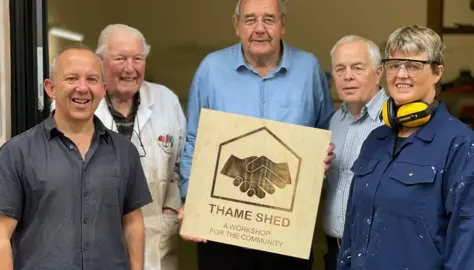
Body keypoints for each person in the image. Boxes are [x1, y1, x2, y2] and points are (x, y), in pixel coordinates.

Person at [178, 0, 335, 269]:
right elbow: (194, 139)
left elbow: (326, 131)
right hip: (222, 222)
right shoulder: (211, 69)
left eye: (269, 19)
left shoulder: (309, 68)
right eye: (250, 20)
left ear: (283, 25)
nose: (259, 29)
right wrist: (191, 202)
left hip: (287, 224)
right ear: (236, 25)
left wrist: (324, 156)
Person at [337, 25, 474, 270]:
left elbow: (468, 245)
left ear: (437, 72)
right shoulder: (375, 140)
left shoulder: (461, 145)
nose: (401, 74)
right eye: (394, 65)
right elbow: (352, 230)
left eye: (413, 65)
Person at [0, 45, 152, 270]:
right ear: (50, 88)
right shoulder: (17, 152)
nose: (82, 88)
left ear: (102, 89)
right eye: (71, 78)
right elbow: (2, 233)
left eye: (91, 79)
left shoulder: (124, 151)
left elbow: (132, 222)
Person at [51, 24, 186, 270]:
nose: (130, 68)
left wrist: (170, 208)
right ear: (100, 62)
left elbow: (181, 162)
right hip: (94, 237)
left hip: (157, 235)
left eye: (137, 59)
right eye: (120, 59)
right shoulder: (75, 103)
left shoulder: (166, 101)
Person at [321, 35, 388, 270]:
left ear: (378, 72)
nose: (347, 76)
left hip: (378, 257)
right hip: (335, 253)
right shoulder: (334, 122)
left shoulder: (395, 122)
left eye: (357, 68)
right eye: (340, 69)